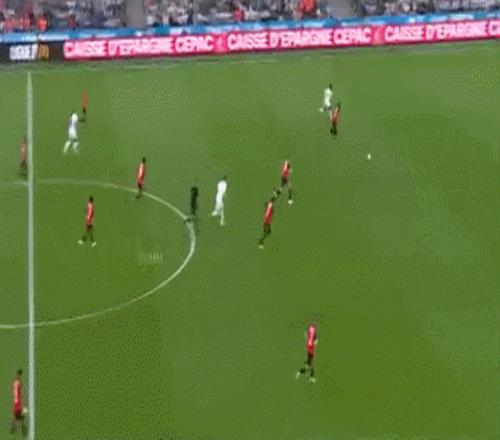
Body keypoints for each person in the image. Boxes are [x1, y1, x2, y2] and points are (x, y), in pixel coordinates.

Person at [11, 369, 27, 436]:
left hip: (16, 403)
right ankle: (15, 429)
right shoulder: (18, 383)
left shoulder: (15, 382)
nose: (20, 376)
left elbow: (15, 390)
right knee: (19, 418)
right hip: (18, 404)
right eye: (19, 374)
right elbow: (19, 390)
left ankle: (14, 429)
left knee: (18, 418)